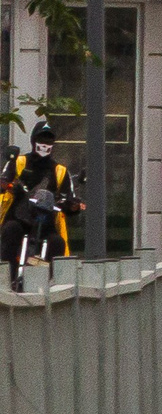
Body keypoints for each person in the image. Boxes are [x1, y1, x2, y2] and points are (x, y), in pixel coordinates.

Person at [2, 122, 75, 292]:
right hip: (19, 217)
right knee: (10, 230)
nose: (44, 144)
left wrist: (72, 205)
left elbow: (69, 199)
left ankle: (49, 284)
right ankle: (7, 280)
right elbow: (3, 182)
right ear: (33, 140)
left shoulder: (60, 171)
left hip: (46, 223)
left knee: (57, 242)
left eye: (49, 140)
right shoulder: (19, 162)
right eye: (41, 139)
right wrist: (12, 186)